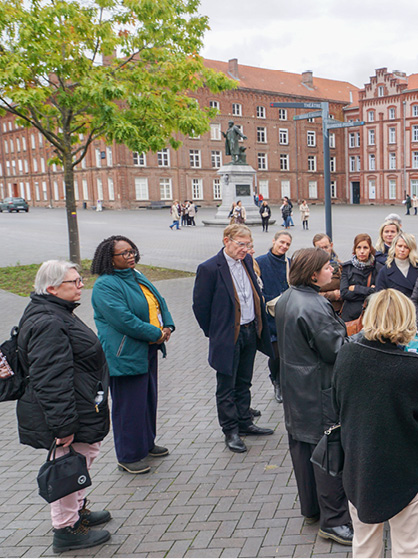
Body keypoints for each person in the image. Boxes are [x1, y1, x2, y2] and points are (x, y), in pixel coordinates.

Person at [17, 261, 113, 552]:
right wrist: (62, 426)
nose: (81, 285)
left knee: (80, 460)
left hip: (80, 403)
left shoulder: (56, 312)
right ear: (52, 289)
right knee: (67, 467)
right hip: (68, 410)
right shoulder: (49, 321)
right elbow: (51, 378)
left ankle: (77, 511)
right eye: (75, 282)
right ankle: (66, 530)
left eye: (80, 279)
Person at [333, 289, 418, 557]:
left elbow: (338, 404)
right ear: (406, 319)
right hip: (405, 470)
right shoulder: (415, 369)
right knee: (407, 549)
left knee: (365, 546)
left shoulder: (347, 356)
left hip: (360, 465)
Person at [275, 248, 353, 545]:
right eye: (326, 266)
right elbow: (336, 349)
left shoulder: (287, 297)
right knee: (328, 454)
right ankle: (333, 521)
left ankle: (311, 509)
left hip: (296, 388)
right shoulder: (315, 304)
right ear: (312, 274)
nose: (332, 269)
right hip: (319, 390)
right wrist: (361, 336)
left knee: (303, 449)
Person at [90, 236, 174, 475]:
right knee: (129, 406)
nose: (131, 256)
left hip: (147, 347)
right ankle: (128, 455)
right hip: (124, 352)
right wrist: (156, 333)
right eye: (124, 254)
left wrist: (167, 325)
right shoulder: (105, 285)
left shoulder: (136, 275)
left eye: (132, 251)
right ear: (110, 259)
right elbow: (124, 320)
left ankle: (146, 443)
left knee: (147, 400)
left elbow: (159, 302)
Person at [192, 225, 274, 454]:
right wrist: (214, 332)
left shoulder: (247, 262)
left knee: (244, 381)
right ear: (226, 240)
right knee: (226, 385)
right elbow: (200, 306)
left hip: (250, 331)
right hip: (228, 336)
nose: (246, 249)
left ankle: (245, 422)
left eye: (248, 244)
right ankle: (230, 430)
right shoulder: (209, 268)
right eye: (241, 244)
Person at [256, 230, 292, 404]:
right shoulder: (260, 262)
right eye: (281, 242)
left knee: (288, 353)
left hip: (287, 314)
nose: (284, 246)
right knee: (276, 353)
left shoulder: (290, 263)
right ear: (274, 241)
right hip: (270, 314)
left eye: (287, 244)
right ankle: (276, 381)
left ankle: (284, 383)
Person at [340, 233, 381, 323]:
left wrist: (355, 288)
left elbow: (378, 293)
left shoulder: (378, 268)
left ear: (370, 249)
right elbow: (344, 293)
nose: (362, 251)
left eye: (365, 248)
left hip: (370, 315)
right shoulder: (347, 267)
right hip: (350, 316)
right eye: (359, 247)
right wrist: (369, 290)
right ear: (355, 249)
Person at [376, 232, 418, 297]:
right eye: (399, 246)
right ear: (394, 247)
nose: (402, 250)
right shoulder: (385, 271)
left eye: (406, 247)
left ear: (411, 249)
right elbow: (380, 296)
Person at [313, 233, 343, 314]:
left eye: (326, 247)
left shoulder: (340, 266)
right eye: (320, 248)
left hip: (338, 311)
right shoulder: (311, 268)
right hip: (318, 310)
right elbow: (308, 294)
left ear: (331, 245)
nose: (324, 251)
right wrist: (332, 295)